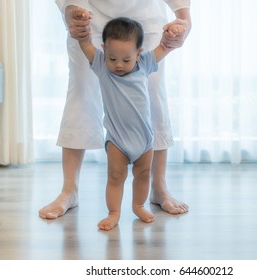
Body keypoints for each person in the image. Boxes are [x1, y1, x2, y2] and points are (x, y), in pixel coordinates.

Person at [39, 1, 192, 220]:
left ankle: (158, 187)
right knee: (81, 91)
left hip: (144, 11)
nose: (119, 63)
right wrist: (70, 8)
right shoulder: (98, 53)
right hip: (89, 11)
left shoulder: (145, 57)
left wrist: (183, 17)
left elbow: (166, 45)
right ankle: (69, 190)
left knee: (154, 94)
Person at [76, 17, 185, 230]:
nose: (118, 64)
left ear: (138, 53)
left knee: (143, 175)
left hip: (145, 140)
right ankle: (114, 212)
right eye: (112, 58)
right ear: (104, 50)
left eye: (126, 60)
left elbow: (164, 47)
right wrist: (83, 28)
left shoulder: (144, 64)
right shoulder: (101, 66)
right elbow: (85, 44)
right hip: (117, 140)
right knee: (115, 177)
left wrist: (173, 31)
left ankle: (138, 205)